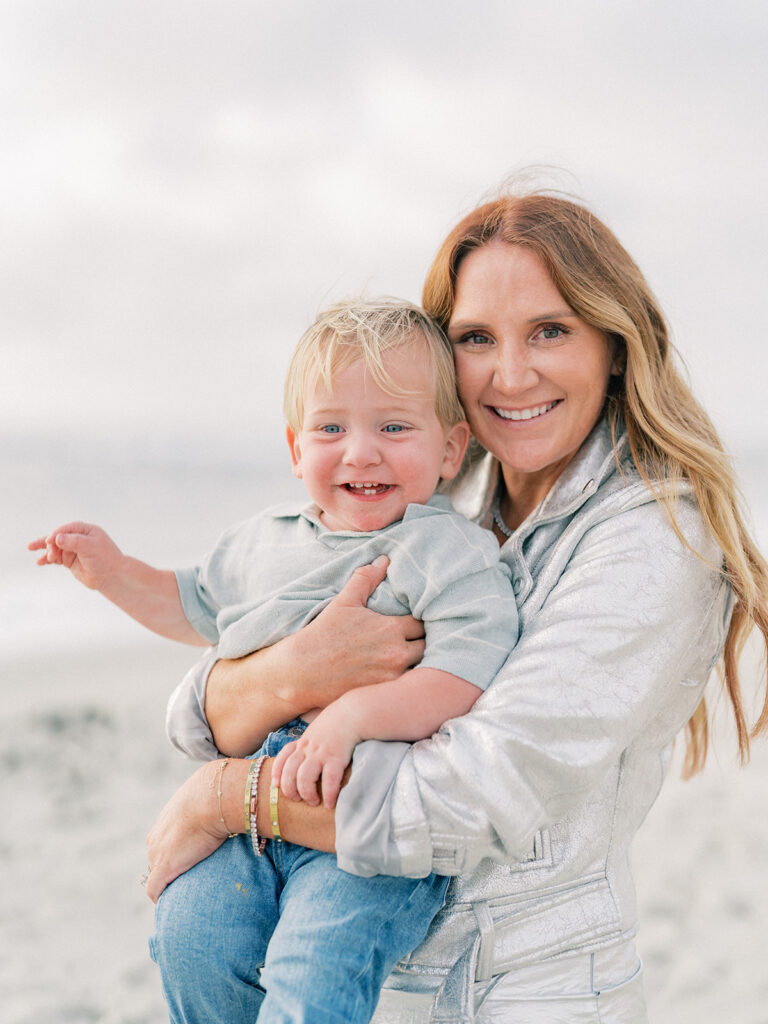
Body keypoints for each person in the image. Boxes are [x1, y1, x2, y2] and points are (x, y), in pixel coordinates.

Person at [141, 191, 768, 1023]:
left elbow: (470, 794)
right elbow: (203, 705)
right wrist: (292, 674)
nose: (511, 374)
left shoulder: (655, 538)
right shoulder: (434, 497)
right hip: (396, 984)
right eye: (477, 338)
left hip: (531, 995)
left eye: (551, 329)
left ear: (616, 346)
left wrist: (229, 797)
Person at [29, 299, 520, 1023]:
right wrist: (114, 573)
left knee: (312, 971)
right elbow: (188, 604)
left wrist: (352, 715)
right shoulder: (264, 543)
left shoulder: (448, 553)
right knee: (191, 933)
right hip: (254, 815)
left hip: (363, 823)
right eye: (330, 428)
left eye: (393, 426)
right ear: (295, 449)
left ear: (450, 450)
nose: (359, 451)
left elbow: (462, 677)